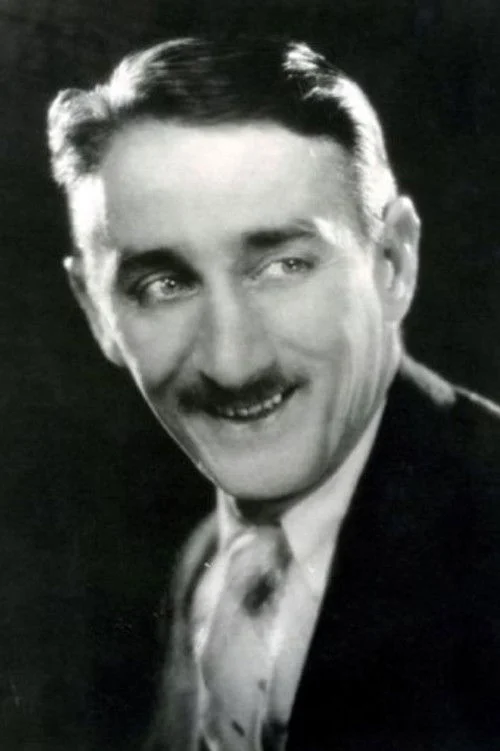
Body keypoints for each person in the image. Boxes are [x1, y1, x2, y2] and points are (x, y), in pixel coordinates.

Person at [47, 36, 500, 751]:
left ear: (393, 262)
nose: (233, 363)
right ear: (97, 311)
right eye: (163, 284)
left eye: (284, 265)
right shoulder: (194, 563)